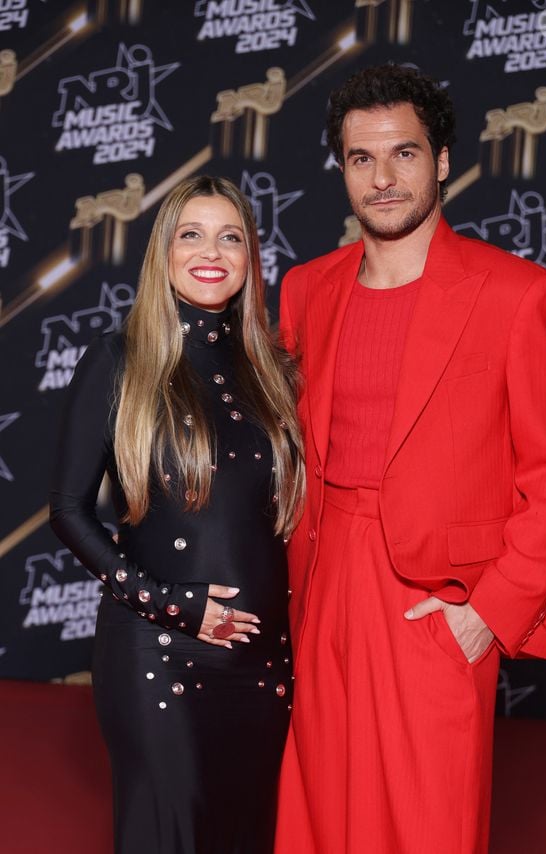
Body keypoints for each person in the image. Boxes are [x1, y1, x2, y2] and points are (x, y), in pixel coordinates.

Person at [274, 64, 546, 854]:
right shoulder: (307, 291)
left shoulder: (521, 297)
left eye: (404, 154)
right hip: (320, 582)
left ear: (442, 160)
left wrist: (488, 616)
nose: (382, 178)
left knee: (428, 825)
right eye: (361, 158)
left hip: (432, 600)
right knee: (317, 819)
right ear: (341, 167)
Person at [49, 175, 304, 854]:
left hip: (265, 670)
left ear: (252, 257)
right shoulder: (118, 359)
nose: (210, 251)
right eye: (191, 233)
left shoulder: (274, 370)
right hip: (157, 655)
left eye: (231, 237)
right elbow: (69, 511)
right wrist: (171, 605)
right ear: (163, 251)